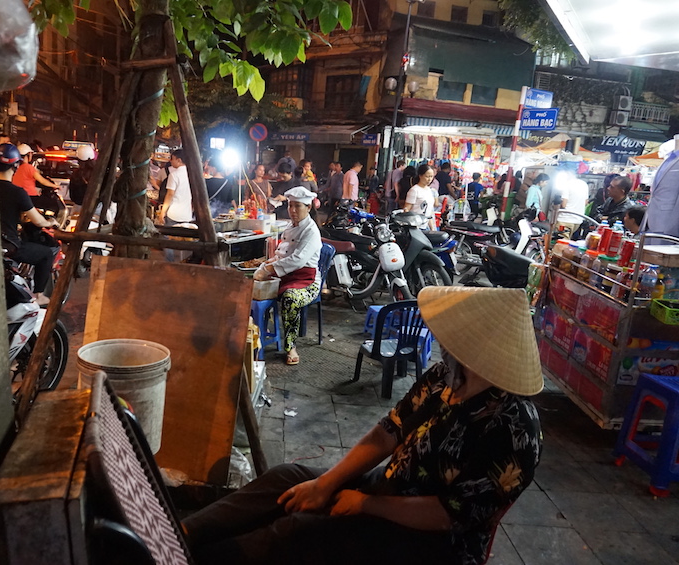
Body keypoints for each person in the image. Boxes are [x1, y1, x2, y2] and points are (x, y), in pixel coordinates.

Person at [183, 286, 543, 565]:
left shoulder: (514, 430)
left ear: (478, 352)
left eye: (453, 341)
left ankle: (187, 558)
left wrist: (364, 504)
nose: (443, 345)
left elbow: (449, 515)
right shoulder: (445, 377)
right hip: (388, 489)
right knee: (289, 479)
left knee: (300, 532)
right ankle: (184, 530)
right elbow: (388, 431)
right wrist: (327, 484)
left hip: (434, 543)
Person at [252, 187, 321, 366]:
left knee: (290, 298)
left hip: (306, 281)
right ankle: (257, 332)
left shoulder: (311, 231)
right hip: (285, 276)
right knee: (250, 287)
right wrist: (265, 265)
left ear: (308, 207)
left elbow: (297, 260)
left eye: (297, 206)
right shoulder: (290, 226)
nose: (292, 210)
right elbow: (281, 254)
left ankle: (290, 346)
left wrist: (269, 270)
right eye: (290, 205)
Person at [0, 143, 59, 306]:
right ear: (15, 165)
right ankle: (38, 295)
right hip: (9, 245)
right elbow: (37, 220)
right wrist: (51, 222)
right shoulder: (17, 192)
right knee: (46, 254)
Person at [158, 148, 194, 226]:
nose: (170, 161)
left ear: (179, 160)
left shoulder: (174, 175)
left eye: (172, 159)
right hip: (187, 214)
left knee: (172, 236)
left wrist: (163, 212)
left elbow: (170, 195)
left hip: (174, 214)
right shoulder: (192, 175)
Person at [404, 163, 437, 230]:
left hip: (426, 226)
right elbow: (406, 209)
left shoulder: (429, 190)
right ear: (420, 176)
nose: (429, 179)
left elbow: (429, 212)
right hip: (415, 227)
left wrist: (432, 229)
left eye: (431, 176)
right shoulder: (414, 190)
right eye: (427, 176)